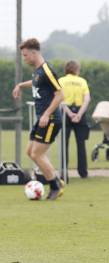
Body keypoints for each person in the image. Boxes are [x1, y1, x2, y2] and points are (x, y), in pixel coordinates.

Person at [12, 38, 65, 200]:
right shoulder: (38, 71)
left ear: (34, 53)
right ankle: (56, 180)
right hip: (42, 118)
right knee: (30, 152)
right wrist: (21, 85)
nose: (24, 58)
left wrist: (47, 114)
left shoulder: (47, 70)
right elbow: (36, 82)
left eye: (26, 55)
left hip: (50, 119)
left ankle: (56, 187)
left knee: (36, 154)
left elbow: (60, 94)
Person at [58, 60, 91, 178]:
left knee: (64, 144)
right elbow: (87, 99)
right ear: (77, 69)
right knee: (81, 144)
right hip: (80, 112)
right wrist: (79, 114)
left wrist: (69, 113)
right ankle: (83, 172)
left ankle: (63, 171)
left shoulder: (61, 81)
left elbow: (59, 99)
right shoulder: (82, 81)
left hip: (64, 113)